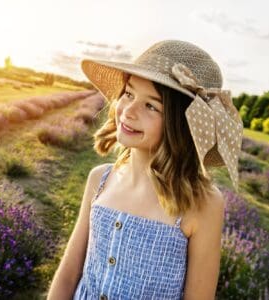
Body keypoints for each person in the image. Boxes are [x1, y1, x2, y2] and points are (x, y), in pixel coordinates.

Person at [47, 40, 243, 300]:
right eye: (128, 94)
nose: (128, 110)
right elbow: (69, 273)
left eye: (151, 106)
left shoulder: (202, 204)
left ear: (183, 125)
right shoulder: (100, 179)